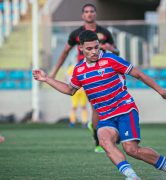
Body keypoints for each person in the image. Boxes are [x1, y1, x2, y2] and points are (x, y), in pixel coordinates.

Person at [33, 30, 166, 180]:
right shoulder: (79, 70)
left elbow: (139, 74)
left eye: (96, 47)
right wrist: (46, 79)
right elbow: (70, 90)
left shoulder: (111, 60)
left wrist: (160, 90)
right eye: (89, 49)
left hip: (125, 109)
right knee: (103, 139)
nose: (94, 51)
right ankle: (132, 177)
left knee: (131, 150)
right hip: (105, 116)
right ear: (81, 48)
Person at [49, 3, 118, 153]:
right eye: (86, 12)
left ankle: (102, 130)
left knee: (107, 107)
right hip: (86, 74)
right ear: (82, 15)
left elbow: (116, 52)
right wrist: (54, 73)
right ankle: (98, 140)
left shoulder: (105, 33)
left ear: (95, 14)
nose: (89, 14)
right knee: (96, 108)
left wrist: (111, 49)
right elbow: (64, 53)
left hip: (104, 72)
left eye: (92, 11)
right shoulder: (76, 34)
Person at [66, 64, 88, 128]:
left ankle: (84, 122)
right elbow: (68, 77)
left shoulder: (85, 66)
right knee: (74, 106)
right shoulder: (71, 68)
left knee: (83, 106)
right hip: (75, 90)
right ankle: (72, 122)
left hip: (82, 90)